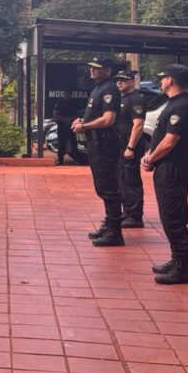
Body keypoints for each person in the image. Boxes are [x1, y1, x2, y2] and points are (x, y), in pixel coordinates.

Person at [142, 64, 188, 285]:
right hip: (166, 166)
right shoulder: (174, 103)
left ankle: (182, 269)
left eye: (164, 77)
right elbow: (160, 136)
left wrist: (150, 158)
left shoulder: (182, 106)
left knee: (173, 217)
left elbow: (169, 142)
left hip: (174, 167)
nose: (162, 81)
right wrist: (151, 155)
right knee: (168, 216)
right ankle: (176, 260)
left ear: (171, 80)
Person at [72, 56, 125, 248]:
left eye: (97, 68)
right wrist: (81, 121)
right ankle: (109, 224)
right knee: (102, 186)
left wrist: (85, 125)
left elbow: (108, 119)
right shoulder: (98, 88)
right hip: (96, 144)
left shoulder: (109, 88)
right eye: (91, 67)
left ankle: (114, 232)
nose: (92, 70)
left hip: (105, 144)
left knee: (108, 187)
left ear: (108, 70)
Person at [114, 69, 148, 228]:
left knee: (131, 180)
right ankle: (126, 211)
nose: (119, 82)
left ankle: (135, 215)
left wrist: (131, 147)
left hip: (130, 146)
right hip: (120, 145)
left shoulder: (136, 99)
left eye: (123, 80)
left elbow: (138, 125)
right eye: (118, 80)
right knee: (122, 180)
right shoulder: (122, 98)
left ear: (132, 82)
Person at [53, 98, 86, 166]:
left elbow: (79, 113)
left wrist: (71, 119)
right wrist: (64, 119)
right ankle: (60, 160)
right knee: (61, 143)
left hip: (72, 124)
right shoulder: (60, 102)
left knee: (73, 143)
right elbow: (56, 113)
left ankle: (77, 159)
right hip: (62, 125)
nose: (68, 94)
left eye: (69, 92)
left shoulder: (74, 102)